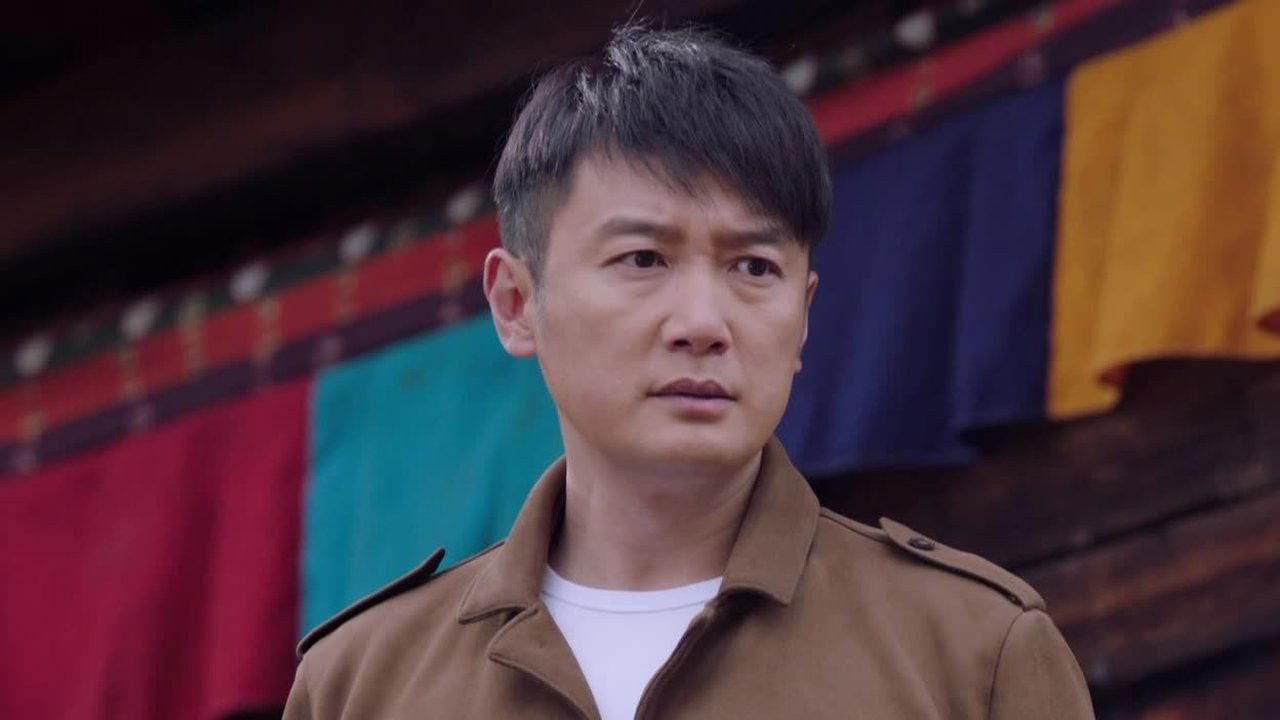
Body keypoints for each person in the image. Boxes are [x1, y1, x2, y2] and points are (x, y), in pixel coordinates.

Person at [283, 24, 1095, 720]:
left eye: (754, 268)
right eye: (643, 258)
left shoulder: (971, 653)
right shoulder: (365, 684)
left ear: (805, 315)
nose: (704, 324)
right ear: (517, 303)